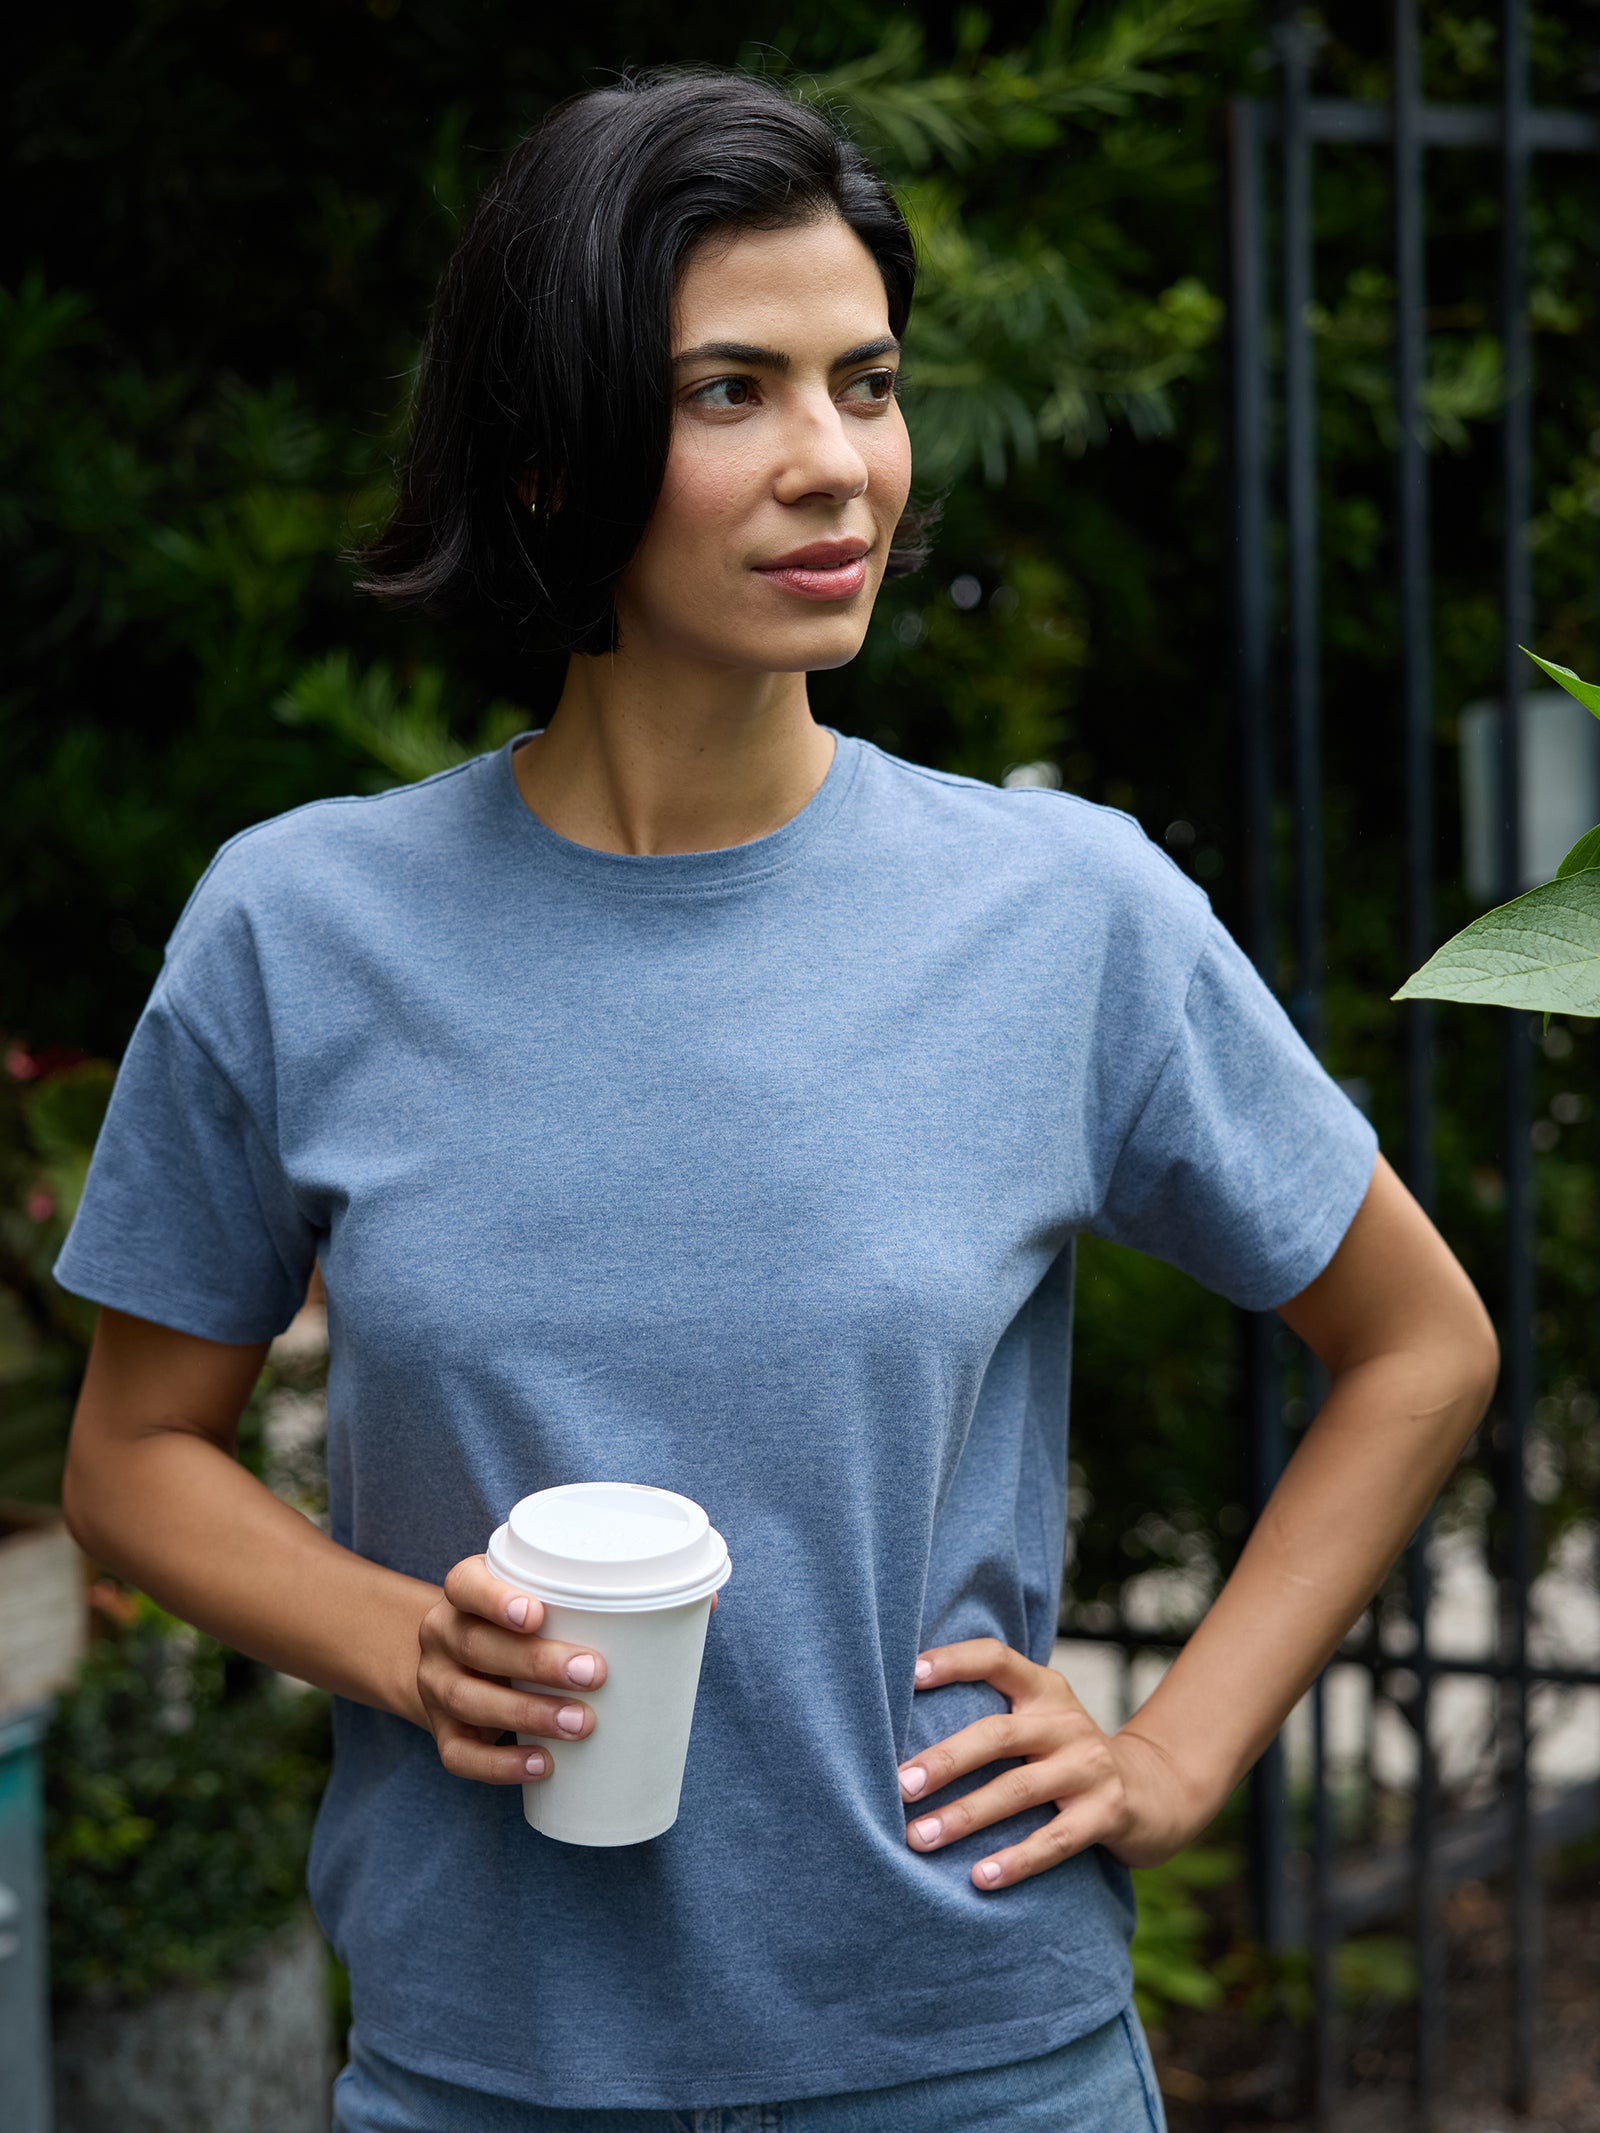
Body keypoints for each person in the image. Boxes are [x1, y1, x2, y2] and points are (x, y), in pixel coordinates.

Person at [56, 67, 1498, 2133]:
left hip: (978, 2060)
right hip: (486, 2075)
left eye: (867, 382)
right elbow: (133, 1453)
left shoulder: (1057, 910)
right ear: (550, 456)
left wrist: (1173, 1748)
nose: (837, 465)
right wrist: (403, 1642)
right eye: (732, 390)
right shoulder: (301, 928)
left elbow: (1415, 1341)